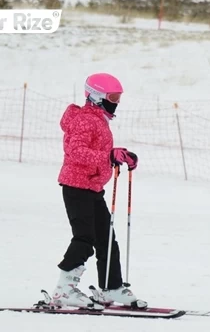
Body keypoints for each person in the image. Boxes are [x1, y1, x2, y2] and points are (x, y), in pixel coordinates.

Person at [50, 72, 146, 309]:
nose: (116, 102)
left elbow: (98, 151)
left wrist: (119, 155)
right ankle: (64, 289)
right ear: (96, 96)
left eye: (119, 97)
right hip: (76, 186)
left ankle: (110, 288)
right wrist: (108, 156)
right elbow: (75, 151)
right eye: (113, 96)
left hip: (92, 187)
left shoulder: (98, 119)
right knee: (85, 238)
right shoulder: (85, 119)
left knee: (106, 239)